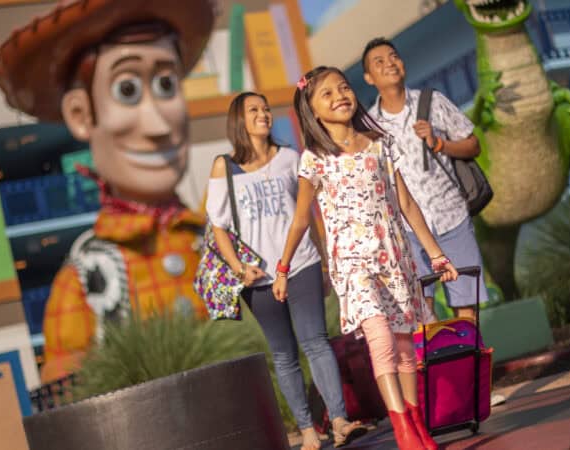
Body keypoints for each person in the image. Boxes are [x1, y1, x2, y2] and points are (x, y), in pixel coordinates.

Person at [0, 0, 217, 382]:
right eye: (127, 89)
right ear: (81, 114)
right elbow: (75, 401)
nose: (158, 123)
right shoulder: (86, 280)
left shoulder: (215, 243)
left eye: (167, 85)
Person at [273, 66, 458, 450]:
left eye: (343, 87)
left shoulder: (379, 143)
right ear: (312, 110)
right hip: (354, 265)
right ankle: (403, 431)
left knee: (406, 346)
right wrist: (284, 266)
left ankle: (417, 423)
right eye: (327, 93)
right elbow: (301, 218)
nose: (340, 95)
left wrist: (436, 255)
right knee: (379, 337)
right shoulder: (314, 159)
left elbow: (405, 202)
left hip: (394, 257)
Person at [206, 92, 366, 450]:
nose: (263, 114)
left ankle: (339, 420)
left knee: (316, 341)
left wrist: (325, 261)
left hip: (302, 263)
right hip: (257, 278)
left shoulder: (291, 159)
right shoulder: (223, 167)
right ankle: (308, 430)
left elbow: (310, 215)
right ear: (239, 121)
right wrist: (237, 268)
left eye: (265, 109)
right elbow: (218, 226)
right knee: (284, 354)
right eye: (254, 110)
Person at [362, 37, 490, 321]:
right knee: (423, 311)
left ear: (402, 63)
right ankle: (436, 366)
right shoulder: (370, 127)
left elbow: (473, 146)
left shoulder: (433, 102)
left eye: (393, 56)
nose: (389, 64)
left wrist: (439, 144)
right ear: (369, 78)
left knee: (466, 307)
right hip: (406, 231)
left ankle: (471, 364)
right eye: (379, 62)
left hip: (451, 217)